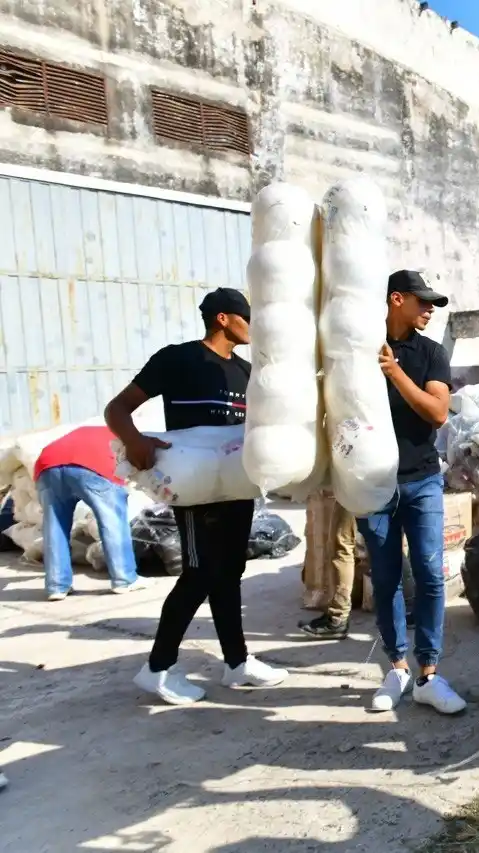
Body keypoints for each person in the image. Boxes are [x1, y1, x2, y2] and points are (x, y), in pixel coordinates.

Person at [105, 287, 287, 706]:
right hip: (196, 490)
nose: (254, 326)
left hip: (235, 485)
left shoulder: (247, 371)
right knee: (200, 572)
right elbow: (117, 409)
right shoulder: (178, 359)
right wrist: (134, 441)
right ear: (223, 318)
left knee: (231, 571)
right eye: (247, 317)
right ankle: (157, 669)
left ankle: (237, 663)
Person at [361, 270, 466, 715]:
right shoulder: (360, 347)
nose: (429, 310)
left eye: (432, 305)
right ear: (396, 299)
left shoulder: (430, 353)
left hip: (421, 479)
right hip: (372, 482)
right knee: (385, 578)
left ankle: (429, 674)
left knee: (429, 573)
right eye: (422, 302)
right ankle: (398, 668)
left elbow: (437, 412)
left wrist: (395, 372)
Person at [35, 425, 146, 600]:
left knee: (54, 526)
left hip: (47, 466)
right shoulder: (125, 436)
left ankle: (57, 586)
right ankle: (125, 579)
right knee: (112, 520)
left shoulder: (93, 431)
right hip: (93, 464)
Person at [298, 494, 357, 640]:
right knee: (390, 540)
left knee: (341, 544)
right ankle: (405, 607)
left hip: (358, 486)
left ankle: (338, 618)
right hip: (394, 485)